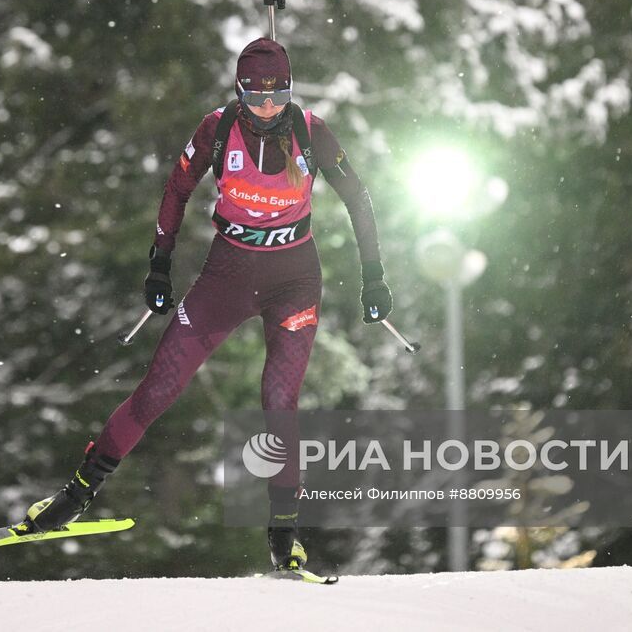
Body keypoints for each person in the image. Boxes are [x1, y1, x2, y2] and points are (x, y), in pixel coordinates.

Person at [22, 36, 393, 572]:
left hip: (294, 279)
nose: (268, 107)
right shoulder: (217, 127)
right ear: (238, 92)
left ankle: (284, 532)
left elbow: (358, 199)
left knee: (278, 400)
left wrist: (374, 279)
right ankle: (75, 496)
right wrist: (159, 263)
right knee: (158, 389)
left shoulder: (311, 131)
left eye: (278, 95)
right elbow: (177, 190)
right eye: (256, 96)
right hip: (227, 276)